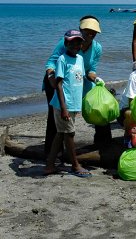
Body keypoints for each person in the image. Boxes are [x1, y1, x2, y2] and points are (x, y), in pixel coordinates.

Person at [44, 15, 110, 152]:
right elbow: (51, 62)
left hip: (79, 79)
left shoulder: (97, 48)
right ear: (81, 29)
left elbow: (91, 70)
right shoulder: (67, 42)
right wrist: (52, 80)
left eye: (94, 32)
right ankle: (52, 151)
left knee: (101, 106)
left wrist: (96, 79)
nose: (91, 34)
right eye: (87, 31)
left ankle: (103, 143)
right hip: (57, 79)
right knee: (55, 115)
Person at [44, 30, 89, 177]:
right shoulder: (62, 59)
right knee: (70, 134)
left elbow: (78, 81)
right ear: (66, 43)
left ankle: (50, 165)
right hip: (63, 105)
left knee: (61, 134)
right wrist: (64, 108)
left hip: (74, 104)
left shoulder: (80, 59)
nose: (75, 45)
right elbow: (58, 84)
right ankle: (75, 165)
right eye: (72, 42)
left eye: (78, 42)